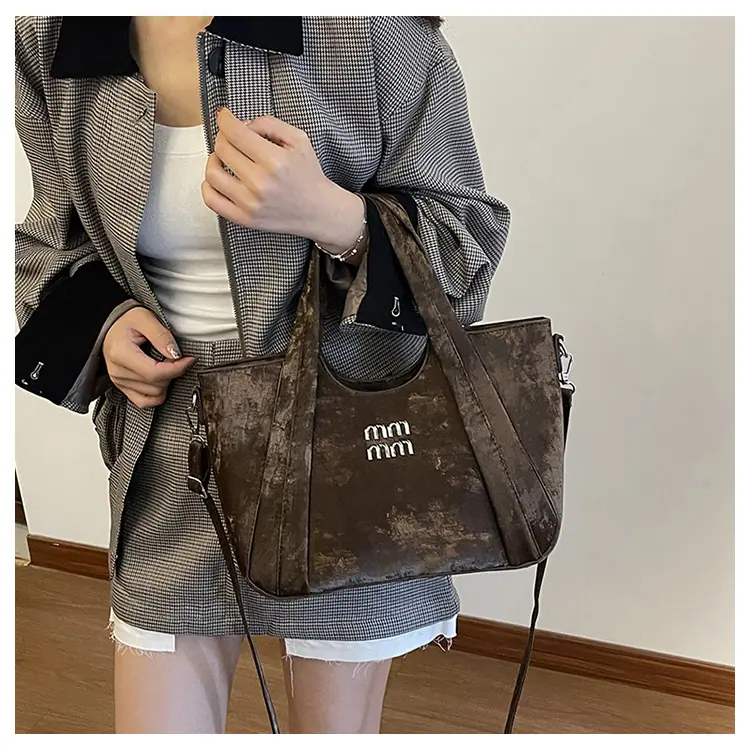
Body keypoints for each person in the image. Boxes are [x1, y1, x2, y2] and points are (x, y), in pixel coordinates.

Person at [15, 15, 511, 734]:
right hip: (172, 449)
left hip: (349, 448)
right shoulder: (56, 37)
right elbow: (52, 243)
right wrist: (107, 324)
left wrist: (337, 217)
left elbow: (466, 251)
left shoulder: (371, 32)